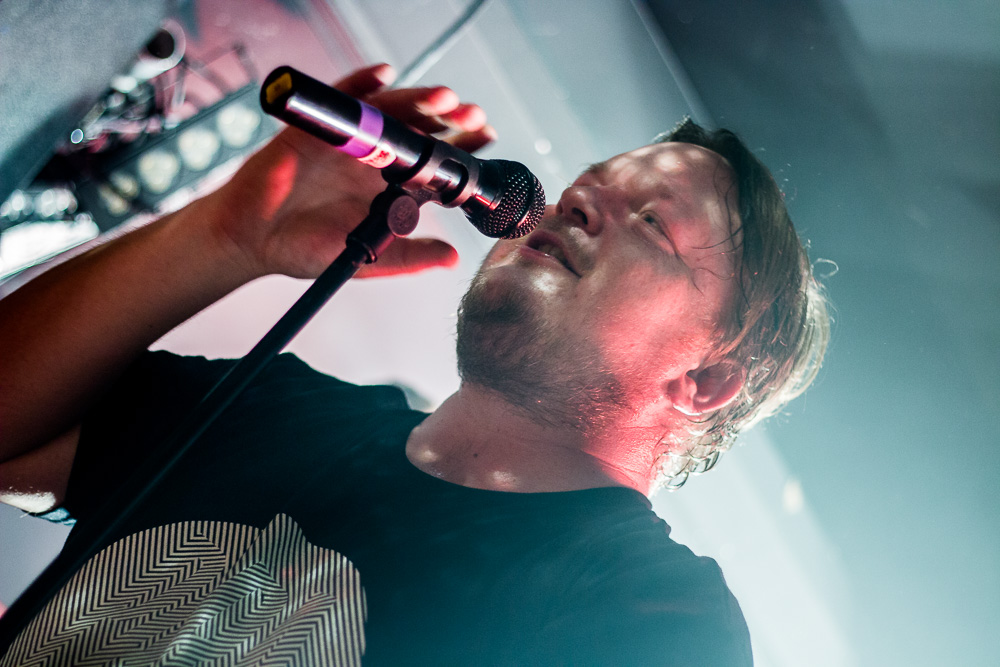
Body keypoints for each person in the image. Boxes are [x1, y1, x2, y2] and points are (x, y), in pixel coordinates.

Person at [0, 63, 827, 665]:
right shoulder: (277, 407)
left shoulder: (650, 612)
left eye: (650, 222)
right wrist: (224, 234)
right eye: (588, 186)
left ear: (704, 381)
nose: (577, 200)